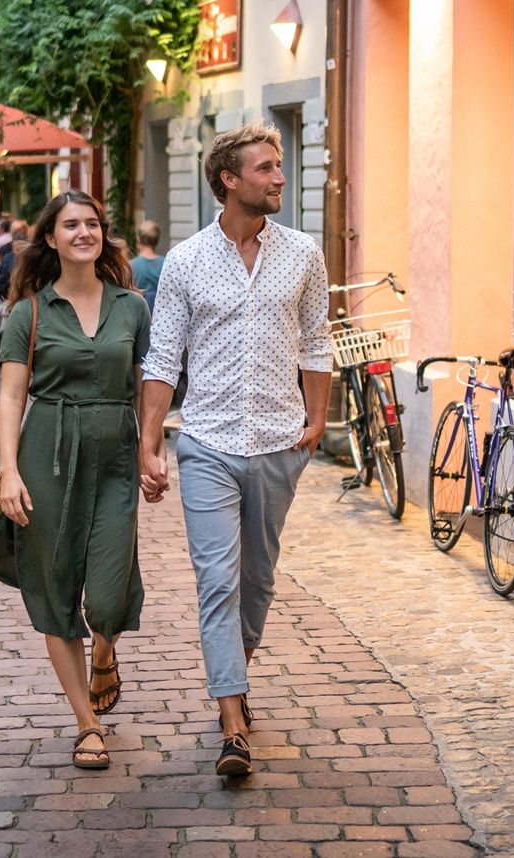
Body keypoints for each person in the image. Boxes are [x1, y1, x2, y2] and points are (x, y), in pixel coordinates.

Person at [137, 123, 333, 778]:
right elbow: (163, 358)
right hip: (207, 444)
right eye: (266, 167)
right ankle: (231, 722)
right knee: (216, 581)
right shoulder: (186, 261)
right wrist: (149, 443)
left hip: (279, 442)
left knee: (257, 581)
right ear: (228, 179)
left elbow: (317, 339)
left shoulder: (302, 253)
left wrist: (316, 420)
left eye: (279, 166)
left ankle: (234, 675)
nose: (279, 177)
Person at [0, 191, 153, 772]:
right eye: (71, 225)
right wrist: (10, 470)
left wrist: (152, 449)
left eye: (92, 223)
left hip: (115, 458)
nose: (84, 233)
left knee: (109, 592)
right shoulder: (30, 313)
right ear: (51, 237)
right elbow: (10, 396)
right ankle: (87, 724)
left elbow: (148, 386)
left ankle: (105, 652)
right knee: (55, 585)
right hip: (47, 455)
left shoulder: (132, 307)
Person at [130, 220, 164, 314]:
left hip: (140, 313)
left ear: (138, 239)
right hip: (160, 313)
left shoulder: (131, 265)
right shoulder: (165, 262)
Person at [0, 222, 30, 301]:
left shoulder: (8, 256)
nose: (20, 233)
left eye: (23, 231)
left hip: (13, 296)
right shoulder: (4, 250)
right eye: (17, 231)